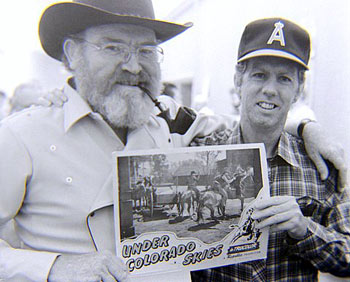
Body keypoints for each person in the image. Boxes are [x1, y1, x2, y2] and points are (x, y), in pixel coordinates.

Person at [0, 0, 346, 280]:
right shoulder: (21, 135)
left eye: (147, 51)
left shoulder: (167, 120)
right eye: (113, 47)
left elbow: (256, 122)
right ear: (73, 54)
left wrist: (306, 126)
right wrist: (53, 266)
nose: (134, 67)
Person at [191, 18, 350, 280]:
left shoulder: (321, 165)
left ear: (299, 90)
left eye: (284, 79)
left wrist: (304, 229)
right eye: (259, 75)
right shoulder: (199, 154)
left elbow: (346, 257)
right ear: (238, 81)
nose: (269, 90)